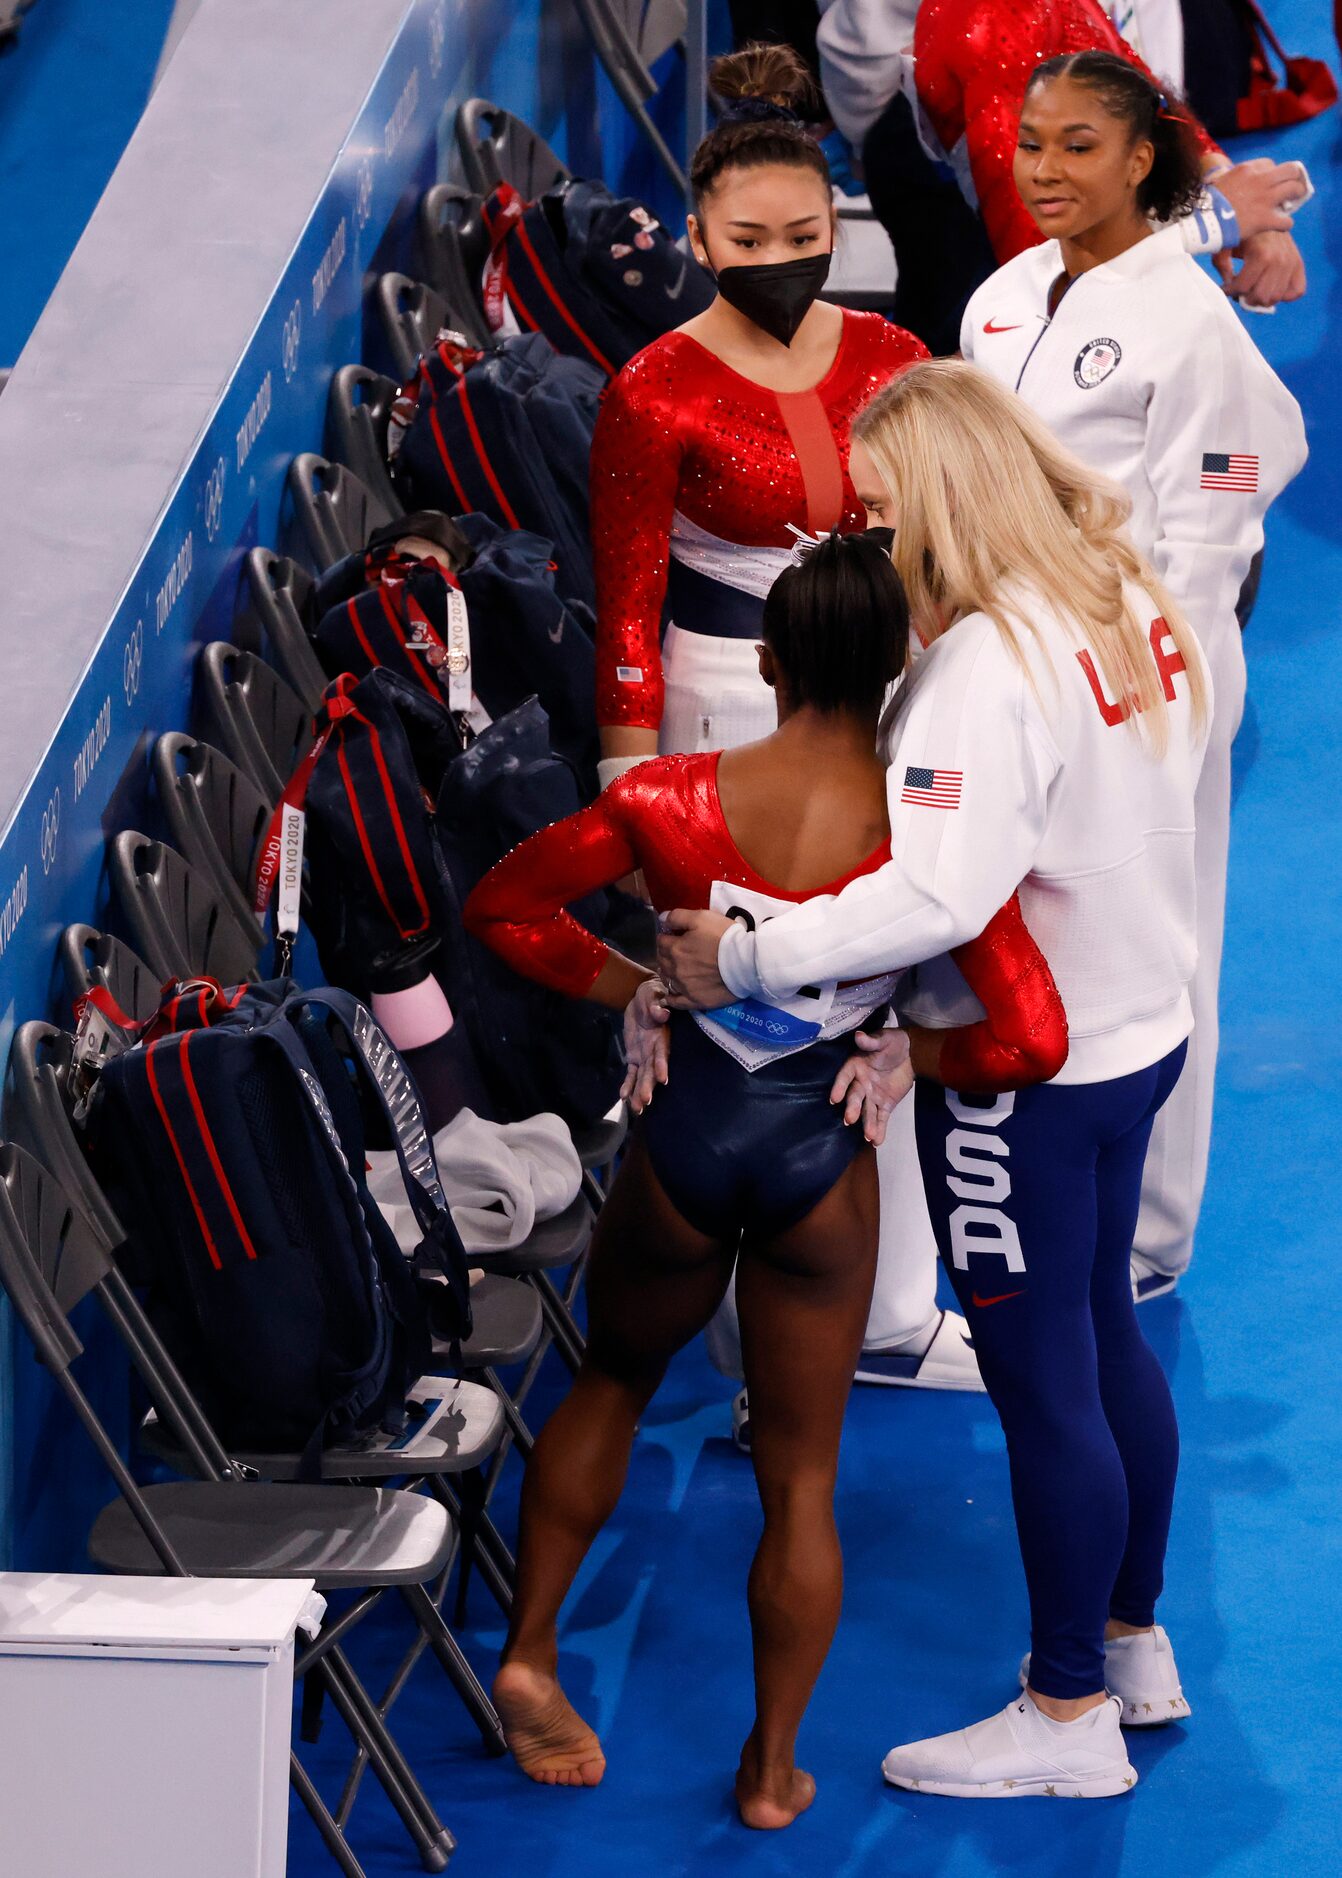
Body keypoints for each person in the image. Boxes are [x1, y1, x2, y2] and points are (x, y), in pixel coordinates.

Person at [657, 359, 1212, 1798]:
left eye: (890, 513)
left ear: (949, 501)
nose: (874, 543)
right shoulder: (1119, 593)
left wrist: (752, 951)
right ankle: (1132, 1641)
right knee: (1103, 1338)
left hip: (1026, 1080)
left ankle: (1067, 1711)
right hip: (1136, 1031)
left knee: (1042, 1386)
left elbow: (932, 896)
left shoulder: (976, 670)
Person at [464, 533, 1067, 1824]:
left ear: (766, 660)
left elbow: (504, 909)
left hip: (682, 1141)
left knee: (612, 1381)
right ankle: (771, 1765)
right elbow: (1032, 1037)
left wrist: (641, 989)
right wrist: (911, 1049)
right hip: (818, 1167)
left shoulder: (666, 798)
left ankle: (526, 1652)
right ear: (901, 663)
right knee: (799, 1474)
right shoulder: (929, 847)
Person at [593, 42, 979, 1400]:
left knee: (876, 973)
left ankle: (876, 1308)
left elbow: (943, 527)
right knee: (732, 1004)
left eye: (804, 235)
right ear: (698, 237)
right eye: (748, 238)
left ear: (837, 228)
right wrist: (633, 798)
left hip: (884, 676)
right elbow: (625, 604)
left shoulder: (888, 350)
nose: (778, 255)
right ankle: (740, 1330)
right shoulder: (650, 388)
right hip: (720, 698)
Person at [960, 50, 1307, 1297]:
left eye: (1077, 148)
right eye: (1029, 143)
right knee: (1031, 922)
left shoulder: (1189, 321)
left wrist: (1160, 694)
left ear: (1140, 159)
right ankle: (1042, 1183)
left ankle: (1152, 1232)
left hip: (1151, 678)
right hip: (1005, 666)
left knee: (1162, 944)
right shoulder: (999, 300)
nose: (1044, 171)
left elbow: (1213, 537)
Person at [815, 0, 1309, 352]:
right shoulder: (992, 21)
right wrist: (1214, 218)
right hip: (982, 238)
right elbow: (1046, 271)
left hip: (1022, 214)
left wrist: (1222, 179)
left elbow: (1126, 75)